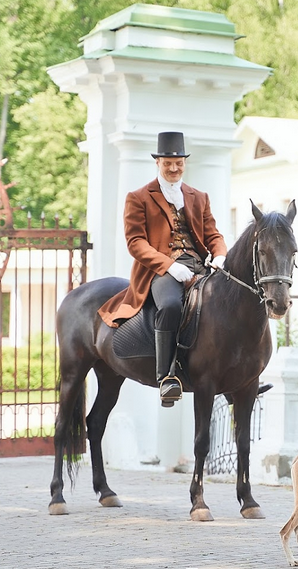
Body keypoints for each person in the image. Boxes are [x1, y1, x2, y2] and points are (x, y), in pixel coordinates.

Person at [98, 131, 227, 407]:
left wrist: (219, 255)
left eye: (178, 162)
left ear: (184, 163)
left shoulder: (199, 197)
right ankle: (167, 378)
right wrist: (169, 266)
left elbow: (213, 234)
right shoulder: (139, 197)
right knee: (170, 306)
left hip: (199, 266)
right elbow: (135, 242)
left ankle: (232, 377)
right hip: (160, 271)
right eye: (168, 162)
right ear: (158, 162)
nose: (173, 168)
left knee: (226, 304)